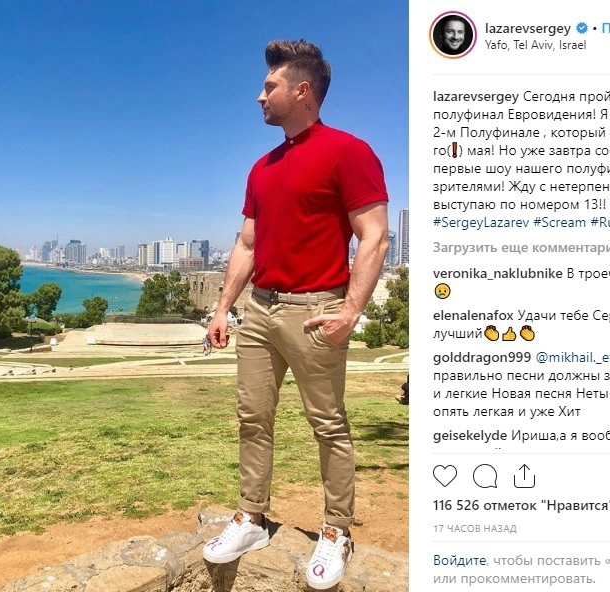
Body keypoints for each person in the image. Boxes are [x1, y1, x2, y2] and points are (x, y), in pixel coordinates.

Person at [202, 39, 389, 590]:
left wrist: (350, 311)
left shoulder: (348, 151)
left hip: (315, 311)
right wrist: (223, 308)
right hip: (259, 310)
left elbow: (374, 237)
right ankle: (251, 518)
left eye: (270, 86)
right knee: (252, 417)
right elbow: (247, 243)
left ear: (302, 90)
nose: (259, 96)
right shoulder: (262, 167)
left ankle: (336, 531)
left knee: (328, 424)